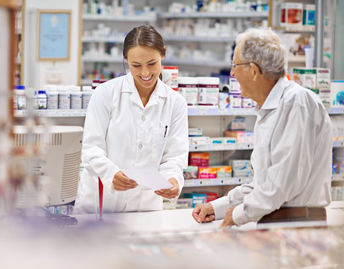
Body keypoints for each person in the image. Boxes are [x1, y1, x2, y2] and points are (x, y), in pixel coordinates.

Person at [192, 28, 332, 227]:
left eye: (235, 65)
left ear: (254, 70)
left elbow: (281, 185)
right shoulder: (269, 109)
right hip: (279, 222)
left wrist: (237, 215)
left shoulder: (296, 103)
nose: (232, 73)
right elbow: (263, 185)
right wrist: (217, 208)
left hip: (299, 225)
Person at [76, 25, 188, 213]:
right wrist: (111, 174)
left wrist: (172, 179)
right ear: (126, 60)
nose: (145, 73)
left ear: (163, 55)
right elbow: (90, 148)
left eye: (152, 63)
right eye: (136, 65)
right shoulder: (105, 94)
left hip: (146, 205)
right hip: (102, 205)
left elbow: (175, 156)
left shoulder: (175, 103)